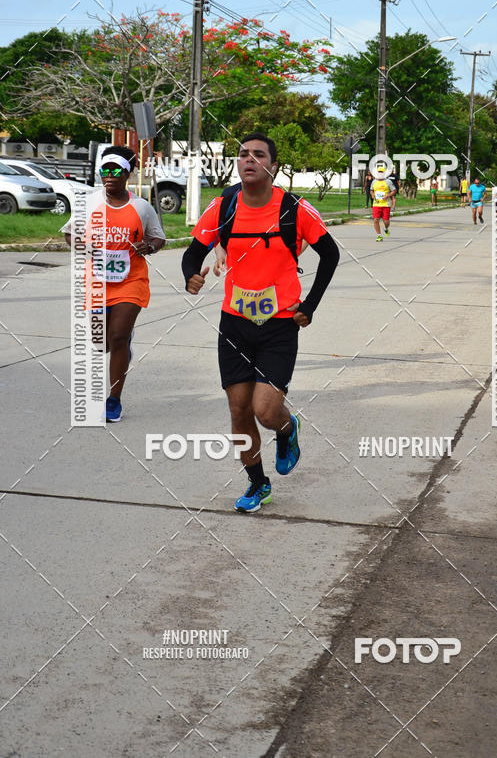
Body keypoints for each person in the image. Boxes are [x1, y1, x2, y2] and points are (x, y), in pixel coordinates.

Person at [182, 133, 339, 514]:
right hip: (235, 324)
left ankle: (287, 430)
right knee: (238, 410)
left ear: (274, 166)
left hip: (279, 325)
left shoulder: (294, 209)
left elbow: (330, 254)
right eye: (242, 154)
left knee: (266, 411)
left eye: (258, 154)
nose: (249, 159)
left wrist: (310, 305)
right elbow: (193, 252)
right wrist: (192, 276)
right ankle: (258, 483)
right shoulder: (223, 207)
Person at [62, 145, 166, 422]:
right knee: (99, 343)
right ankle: (119, 344)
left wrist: (150, 247)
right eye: (104, 171)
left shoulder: (141, 207)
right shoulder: (89, 202)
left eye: (115, 171)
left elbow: (158, 237)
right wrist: (83, 248)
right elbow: (70, 234)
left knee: (118, 337)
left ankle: (113, 399)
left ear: (127, 174)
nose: (108, 176)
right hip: (96, 281)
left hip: (130, 280)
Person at [370, 165, 396, 240]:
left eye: (382, 172)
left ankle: (386, 228)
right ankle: (379, 236)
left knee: (386, 221)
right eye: (379, 172)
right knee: (375, 220)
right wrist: (372, 195)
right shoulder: (374, 181)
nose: (380, 173)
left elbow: (394, 191)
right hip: (376, 203)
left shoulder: (388, 182)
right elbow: (371, 190)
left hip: (386, 204)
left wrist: (387, 196)